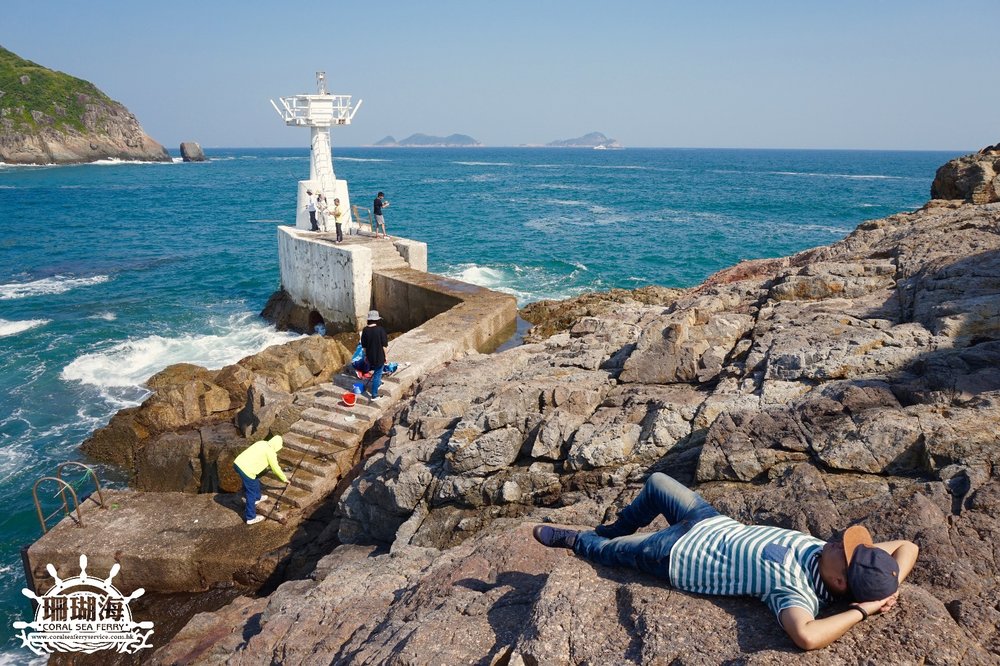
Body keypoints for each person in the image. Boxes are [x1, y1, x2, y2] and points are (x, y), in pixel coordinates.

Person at [533, 472, 919, 651]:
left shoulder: (797, 590)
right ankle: (615, 527)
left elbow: (808, 636)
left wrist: (864, 610)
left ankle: (578, 541)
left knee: (607, 553)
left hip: (677, 553)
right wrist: (889, 582)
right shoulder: (831, 557)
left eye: (844, 550)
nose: (837, 541)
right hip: (711, 521)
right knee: (658, 483)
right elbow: (907, 546)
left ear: (839, 582)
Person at [233, 435, 288, 525]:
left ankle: (257, 497)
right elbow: (276, 468)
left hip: (238, 463)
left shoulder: (262, 443)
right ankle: (250, 517)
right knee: (250, 491)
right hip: (246, 469)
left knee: (255, 480)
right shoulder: (271, 452)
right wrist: (284, 479)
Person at [359, 309, 389, 402]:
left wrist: (366, 356)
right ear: (376, 320)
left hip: (370, 356)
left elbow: (364, 346)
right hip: (379, 356)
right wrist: (386, 356)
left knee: (377, 372)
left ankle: (379, 382)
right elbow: (384, 345)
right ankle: (374, 395)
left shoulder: (365, 330)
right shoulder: (381, 330)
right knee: (377, 373)